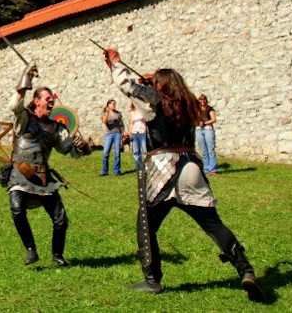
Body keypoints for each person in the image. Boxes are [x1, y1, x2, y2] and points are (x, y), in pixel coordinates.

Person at [104, 49, 263, 302]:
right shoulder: (188, 103)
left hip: (163, 170)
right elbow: (151, 92)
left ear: (160, 87)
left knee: (146, 225)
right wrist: (152, 83)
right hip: (190, 168)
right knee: (213, 224)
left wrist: (114, 63)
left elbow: (127, 85)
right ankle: (245, 269)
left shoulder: (154, 102)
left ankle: (152, 280)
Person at [7, 62, 89, 267]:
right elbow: (14, 106)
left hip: (43, 177)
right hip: (21, 174)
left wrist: (82, 148)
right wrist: (26, 79)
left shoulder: (56, 127)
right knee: (17, 209)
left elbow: (67, 148)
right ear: (37, 101)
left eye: (52, 100)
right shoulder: (24, 118)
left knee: (60, 219)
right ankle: (30, 250)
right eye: (47, 100)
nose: (51, 103)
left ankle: (58, 255)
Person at [196, 94, 218, 176]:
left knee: (211, 149)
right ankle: (206, 168)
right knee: (204, 151)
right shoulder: (196, 109)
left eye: (204, 100)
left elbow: (213, 119)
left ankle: (213, 169)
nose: (202, 101)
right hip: (198, 129)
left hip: (208, 129)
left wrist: (205, 123)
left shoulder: (210, 109)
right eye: (200, 100)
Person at [100, 99, 124, 176]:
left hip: (117, 133)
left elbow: (121, 123)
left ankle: (116, 170)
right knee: (105, 153)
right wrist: (107, 112)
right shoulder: (104, 113)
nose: (114, 105)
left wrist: (123, 132)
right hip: (109, 134)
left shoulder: (118, 113)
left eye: (115, 104)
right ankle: (104, 171)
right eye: (112, 104)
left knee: (117, 152)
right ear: (108, 105)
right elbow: (104, 122)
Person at [128, 102, 148, 170]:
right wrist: (129, 132)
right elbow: (131, 123)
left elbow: (146, 120)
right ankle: (139, 166)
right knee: (136, 151)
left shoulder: (143, 112)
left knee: (144, 151)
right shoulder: (132, 112)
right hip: (134, 133)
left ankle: (146, 166)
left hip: (142, 132)